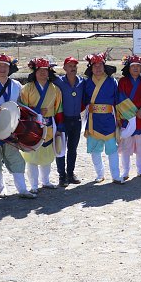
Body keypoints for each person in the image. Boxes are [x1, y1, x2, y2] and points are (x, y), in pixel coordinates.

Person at [0, 53, 35, 198]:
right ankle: (1, 188)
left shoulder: (16, 85)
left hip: (12, 129)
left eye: (5, 66)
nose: (2, 69)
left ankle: (22, 189)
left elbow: (21, 105)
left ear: (10, 69)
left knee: (16, 159)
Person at [19, 58, 64, 192]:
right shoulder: (27, 88)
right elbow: (22, 107)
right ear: (35, 72)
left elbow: (59, 109)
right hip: (31, 127)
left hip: (49, 126)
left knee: (47, 156)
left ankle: (46, 181)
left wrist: (59, 128)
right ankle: (33, 185)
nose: (43, 73)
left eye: (46, 70)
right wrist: (36, 111)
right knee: (32, 158)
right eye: (40, 70)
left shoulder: (55, 89)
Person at [81, 52, 124, 184]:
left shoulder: (112, 81)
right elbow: (83, 101)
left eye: (100, 65)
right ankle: (99, 174)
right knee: (95, 150)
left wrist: (119, 118)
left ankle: (116, 175)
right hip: (94, 120)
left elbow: (117, 101)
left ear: (104, 66)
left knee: (112, 150)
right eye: (95, 66)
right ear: (91, 68)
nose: (98, 68)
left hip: (109, 120)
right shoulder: (87, 82)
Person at [116, 55, 141, 180]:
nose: (136, 68)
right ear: (128, 68)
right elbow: (121, 98)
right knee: (126, 147)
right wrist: (133, 113)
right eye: (133, 66)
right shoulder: (123, 81)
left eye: (138, 66)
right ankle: (125, 171)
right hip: (127, 118)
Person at [53, 56, 85, 187]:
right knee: (60, 148)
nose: (72, 68)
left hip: (76, 120)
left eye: (74, 66)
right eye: (70, 66)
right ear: (64, 68)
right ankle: (62, 176)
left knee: (73, 149)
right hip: (62, 119)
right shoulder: (58, 82)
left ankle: (70, 174)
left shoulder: (82, 82)